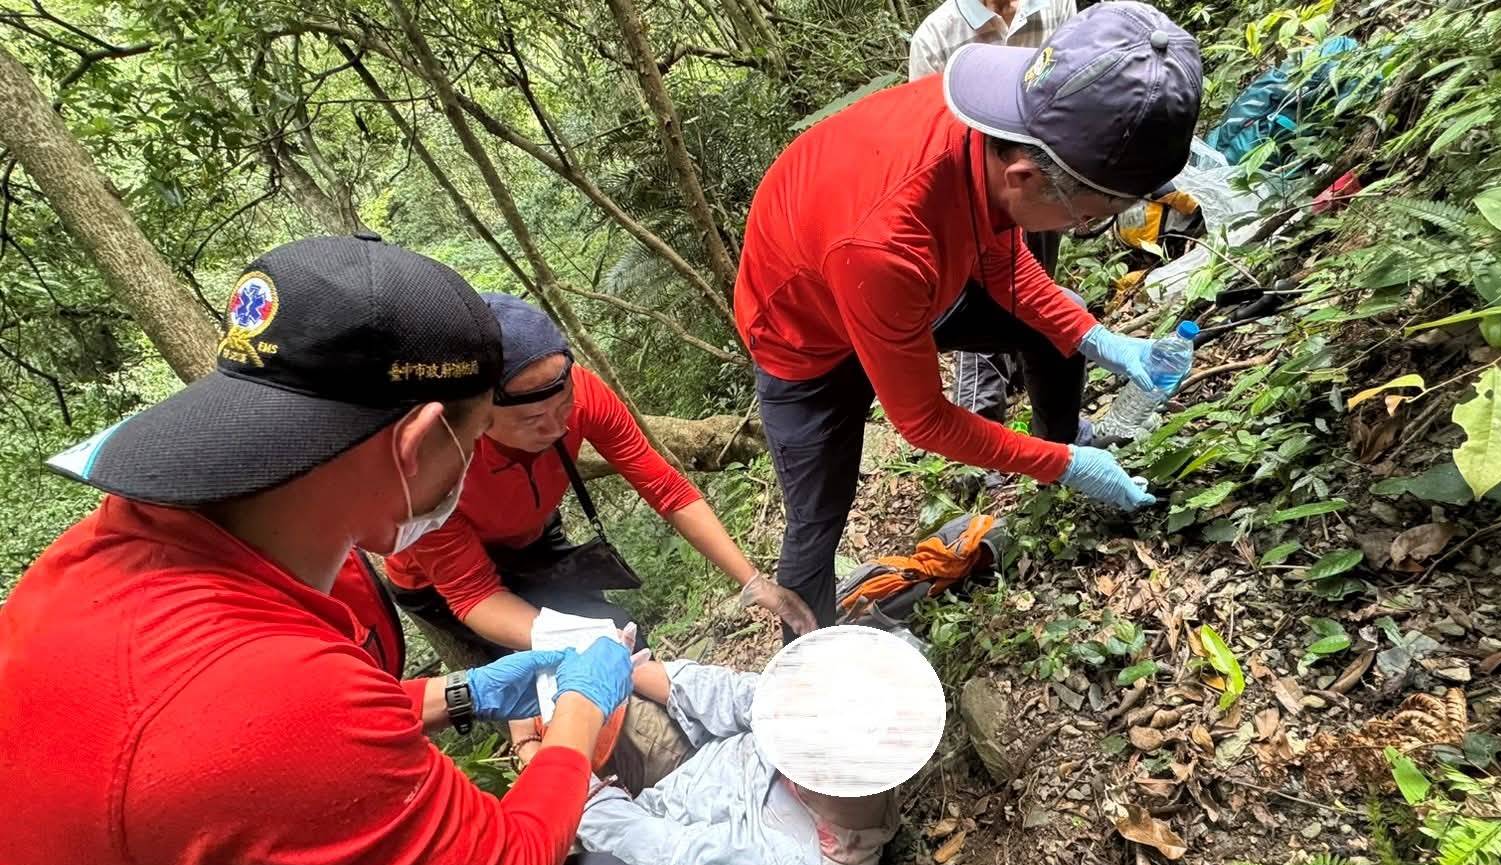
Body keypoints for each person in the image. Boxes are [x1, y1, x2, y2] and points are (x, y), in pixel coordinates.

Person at [0, 234, 674, 865]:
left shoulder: (132, 550)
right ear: (415, 444)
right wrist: (579, 710)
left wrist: (459, 694)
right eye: (477, 435)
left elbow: (263, 756)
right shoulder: (250, 689)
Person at [735, 2, 1203, 638]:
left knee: (1054, 327)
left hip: (913, 281)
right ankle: (814, 661)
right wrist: (1061, 465)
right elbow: (924, 420)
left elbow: (999, 248)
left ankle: (1065, 438)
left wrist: (1095, 338)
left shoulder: (1005, 120)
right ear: (1025, 177)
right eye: (1088, 217)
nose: (1084, 227)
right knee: (818, 518)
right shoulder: (887, 243)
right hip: (808, 333)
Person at [385, 293, 815, 672]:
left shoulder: (584, 395)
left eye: (564, 406)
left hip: (530, 538)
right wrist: (578, 638)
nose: (557, 427)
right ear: (479, 414)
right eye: (533, 420)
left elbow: (666, 488)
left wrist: (754, 582)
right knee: (570, 669)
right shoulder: (433, 467)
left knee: (623, 638)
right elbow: (473, 595)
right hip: (441, 585)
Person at [570, 626, 944, 865]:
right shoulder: (833, 742)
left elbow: (645, 850)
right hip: (685, 791)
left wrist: (562, 756)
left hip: (652, 852)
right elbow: (732, 693)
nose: (789, 706)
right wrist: (621, 669)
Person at [908, 0, 1079, 431]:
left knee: (1037, 290)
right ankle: (983, 417)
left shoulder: (1053, 5)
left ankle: (1048, 423)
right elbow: (928, 133)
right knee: (983, 294)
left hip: (1047, 173)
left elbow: (1076, 81)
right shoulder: (937, 36)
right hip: (974, 194)